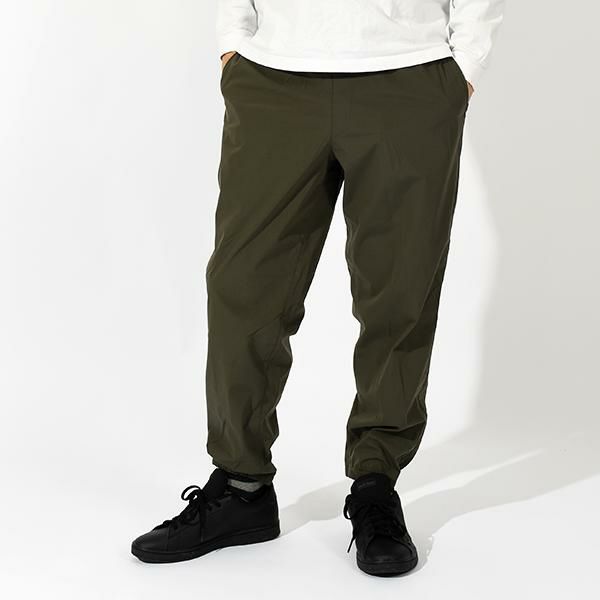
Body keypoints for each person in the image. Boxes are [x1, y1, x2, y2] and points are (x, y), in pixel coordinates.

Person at [131, 0, 504, 576]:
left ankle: (376, 485)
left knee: (399, 293)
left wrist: (466, 63)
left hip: (408, 74)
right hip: (273, 77)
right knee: (243, 288)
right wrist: (235, 39)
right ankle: (241, 486)